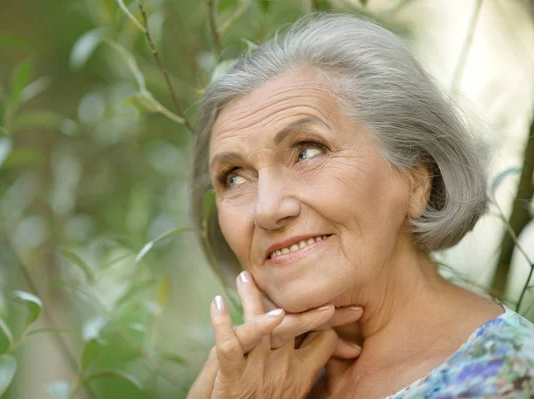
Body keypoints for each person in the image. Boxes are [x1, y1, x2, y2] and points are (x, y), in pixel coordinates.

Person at [187, 13, 534, 399]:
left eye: (307, 152)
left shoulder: (504, 375)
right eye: (234, 177)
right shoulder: (255, 383)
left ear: (417, 179)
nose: (267, 210)